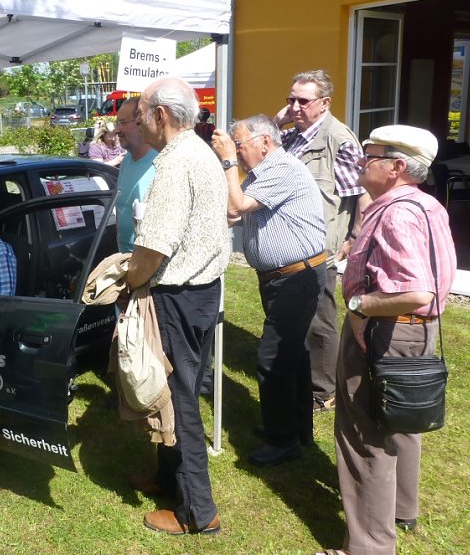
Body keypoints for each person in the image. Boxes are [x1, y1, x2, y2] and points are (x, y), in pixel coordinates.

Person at [327, 125, 455, 555]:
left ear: (398, 167)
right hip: (415, 332)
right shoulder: (425, 205)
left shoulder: (397, 213)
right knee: (402, 418)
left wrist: (361, 306)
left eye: (372, 155)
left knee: (365, 436)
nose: (364, 161)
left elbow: (418, 291)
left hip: (386, 330)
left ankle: (368, 546)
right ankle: (402, 509)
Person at [126, 77, 229, 536]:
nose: (136, 121)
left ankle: (197, 512)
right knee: (175, 394)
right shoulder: (197, 152)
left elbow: (154, 247)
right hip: (201, 292)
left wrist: (129, 279)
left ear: (160, 116)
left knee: (179, 401)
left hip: (179, 296)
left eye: (141, 113)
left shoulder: (175, 162)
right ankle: (169, 480)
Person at [211, 115, 326, 465]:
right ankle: (296, 428)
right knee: (294, 356)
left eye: (240, 144)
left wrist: (228, 161)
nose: (237, 152)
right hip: (283, 277)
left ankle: (282, 440)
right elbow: (235, 214)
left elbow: (236, 207)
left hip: (296, 277)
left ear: (264, 142)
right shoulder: (264, 174)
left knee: (273, 358)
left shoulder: (282, 168)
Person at [274, 69, 369, 413]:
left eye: (303, 100)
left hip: (319, 250)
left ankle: (322, 390)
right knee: (294, 317)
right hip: (289, 245)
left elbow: (361, 193)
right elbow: (264, 157)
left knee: (319, 321)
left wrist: (354, 237)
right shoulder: (291, 136)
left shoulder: (338, 140)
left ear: (324, 103)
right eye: (291, 99)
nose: (295, 106)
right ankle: (302, 373)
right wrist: (277, 120)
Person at [112, 96, 156, 253]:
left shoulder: (160, 162)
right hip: (125, 258)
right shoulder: (127, 160)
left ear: (141, 122)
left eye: (122, 123)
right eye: (117, 123)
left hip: (148, 263)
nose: (116, 130)